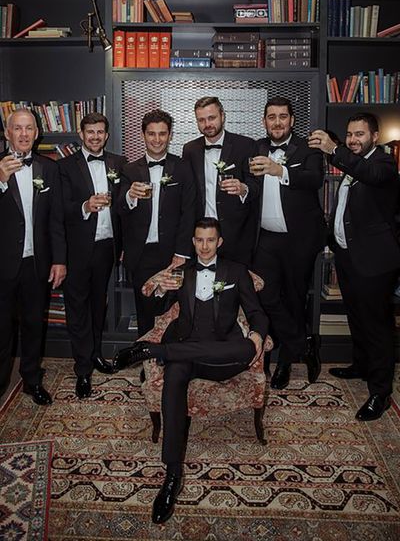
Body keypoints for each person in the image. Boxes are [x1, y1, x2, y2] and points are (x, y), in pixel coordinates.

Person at [113, 217, 268, 524]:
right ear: (193, 242)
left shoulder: (236, 272)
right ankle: (172, 476)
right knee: (173, 375)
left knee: (247, 347)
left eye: (210, 240)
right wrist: (160, 289)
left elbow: (256, 313)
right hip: (185, 349)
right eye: (199, 240)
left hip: (223, 356)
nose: (205, 246)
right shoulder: (180, 273)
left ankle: (154, 351)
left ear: (219, 242)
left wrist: (258, 335)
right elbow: (159, 309)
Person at [309, 113, 400, 421]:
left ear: (375, 136)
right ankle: (362, 365)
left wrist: (335, 149)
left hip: (375, 261)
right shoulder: (353, 164)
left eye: (360, 134)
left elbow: (369, 175)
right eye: (349, 134)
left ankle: (380, 392)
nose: (353, 139)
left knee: (377, 326)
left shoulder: (383, 164)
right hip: (349, 257)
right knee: (357, 317)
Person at [251, 96, 326, 389]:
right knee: (264, 296)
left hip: (299, 239)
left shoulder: (309, 148)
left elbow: (314, 179)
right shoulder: (256, 147)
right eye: (272, 117)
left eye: (283, 116)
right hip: (265, 239)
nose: (278, 122)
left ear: (292, 120)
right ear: (264, 121)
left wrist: (278, 170)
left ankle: (285, 361)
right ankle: (302, 344)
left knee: (295, 299)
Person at [0, 109, 66, 404]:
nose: (24, 134)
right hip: (3, 264)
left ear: (37, 133)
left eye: (29, 128)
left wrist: (60, 259)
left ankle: (31, 380)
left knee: (33, 325)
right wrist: (0, 181)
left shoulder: (48, 168)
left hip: (37, 263)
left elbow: (56, 220)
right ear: (7, 133)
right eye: (18, 128)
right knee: (1, 328)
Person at [59, 113, 127, 399]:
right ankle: (82, 368)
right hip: (77, 251)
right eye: (91, 132)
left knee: (99, 305)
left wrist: (122, 244)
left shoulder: (119, 163)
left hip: (106, 248)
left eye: (100, 132)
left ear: (107, 135)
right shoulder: (64, 166)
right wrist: (86, 205)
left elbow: (124, 207)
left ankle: (97, 354)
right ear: (81, 133)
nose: (96, 137)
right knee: (78, 310)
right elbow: (61, 208)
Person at [118, 109, 196, 338]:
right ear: (143, 135)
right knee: (144, 309)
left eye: (162, 134)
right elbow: (120, 210)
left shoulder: (182, 168)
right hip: (141, 253)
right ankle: (148, 360)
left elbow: (189, 211)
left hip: (173, 252)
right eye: (151, 134)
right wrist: (130, 196)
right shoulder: (129, 170)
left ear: (170, 135)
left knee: (173, 310)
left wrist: (182, 252)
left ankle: (169, 359)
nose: (157, 139)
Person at [182, 96, 258, 266]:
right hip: (202, 239)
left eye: (212, 118)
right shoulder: (189, 149)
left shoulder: (246, 145)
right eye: (201, 120)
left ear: (223, 116)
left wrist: (243, 189)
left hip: (237, 234)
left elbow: (256, 185)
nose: (207, 124)